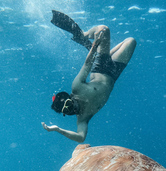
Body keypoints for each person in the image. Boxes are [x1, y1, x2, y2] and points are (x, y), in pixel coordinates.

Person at [42, 11, 136, 143]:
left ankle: (84, 35)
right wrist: (58, 129)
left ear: (70, 98)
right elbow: (81, 137)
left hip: (101, 67)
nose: (72, 109)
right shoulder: (83, 118)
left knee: (104, 29)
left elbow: (87, 65)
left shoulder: (77, 87)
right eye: (68, 111)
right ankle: (106, 53)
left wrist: (94, 46)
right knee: (131, 41)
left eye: (69, 104)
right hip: (114, 74)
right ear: (66, 114)